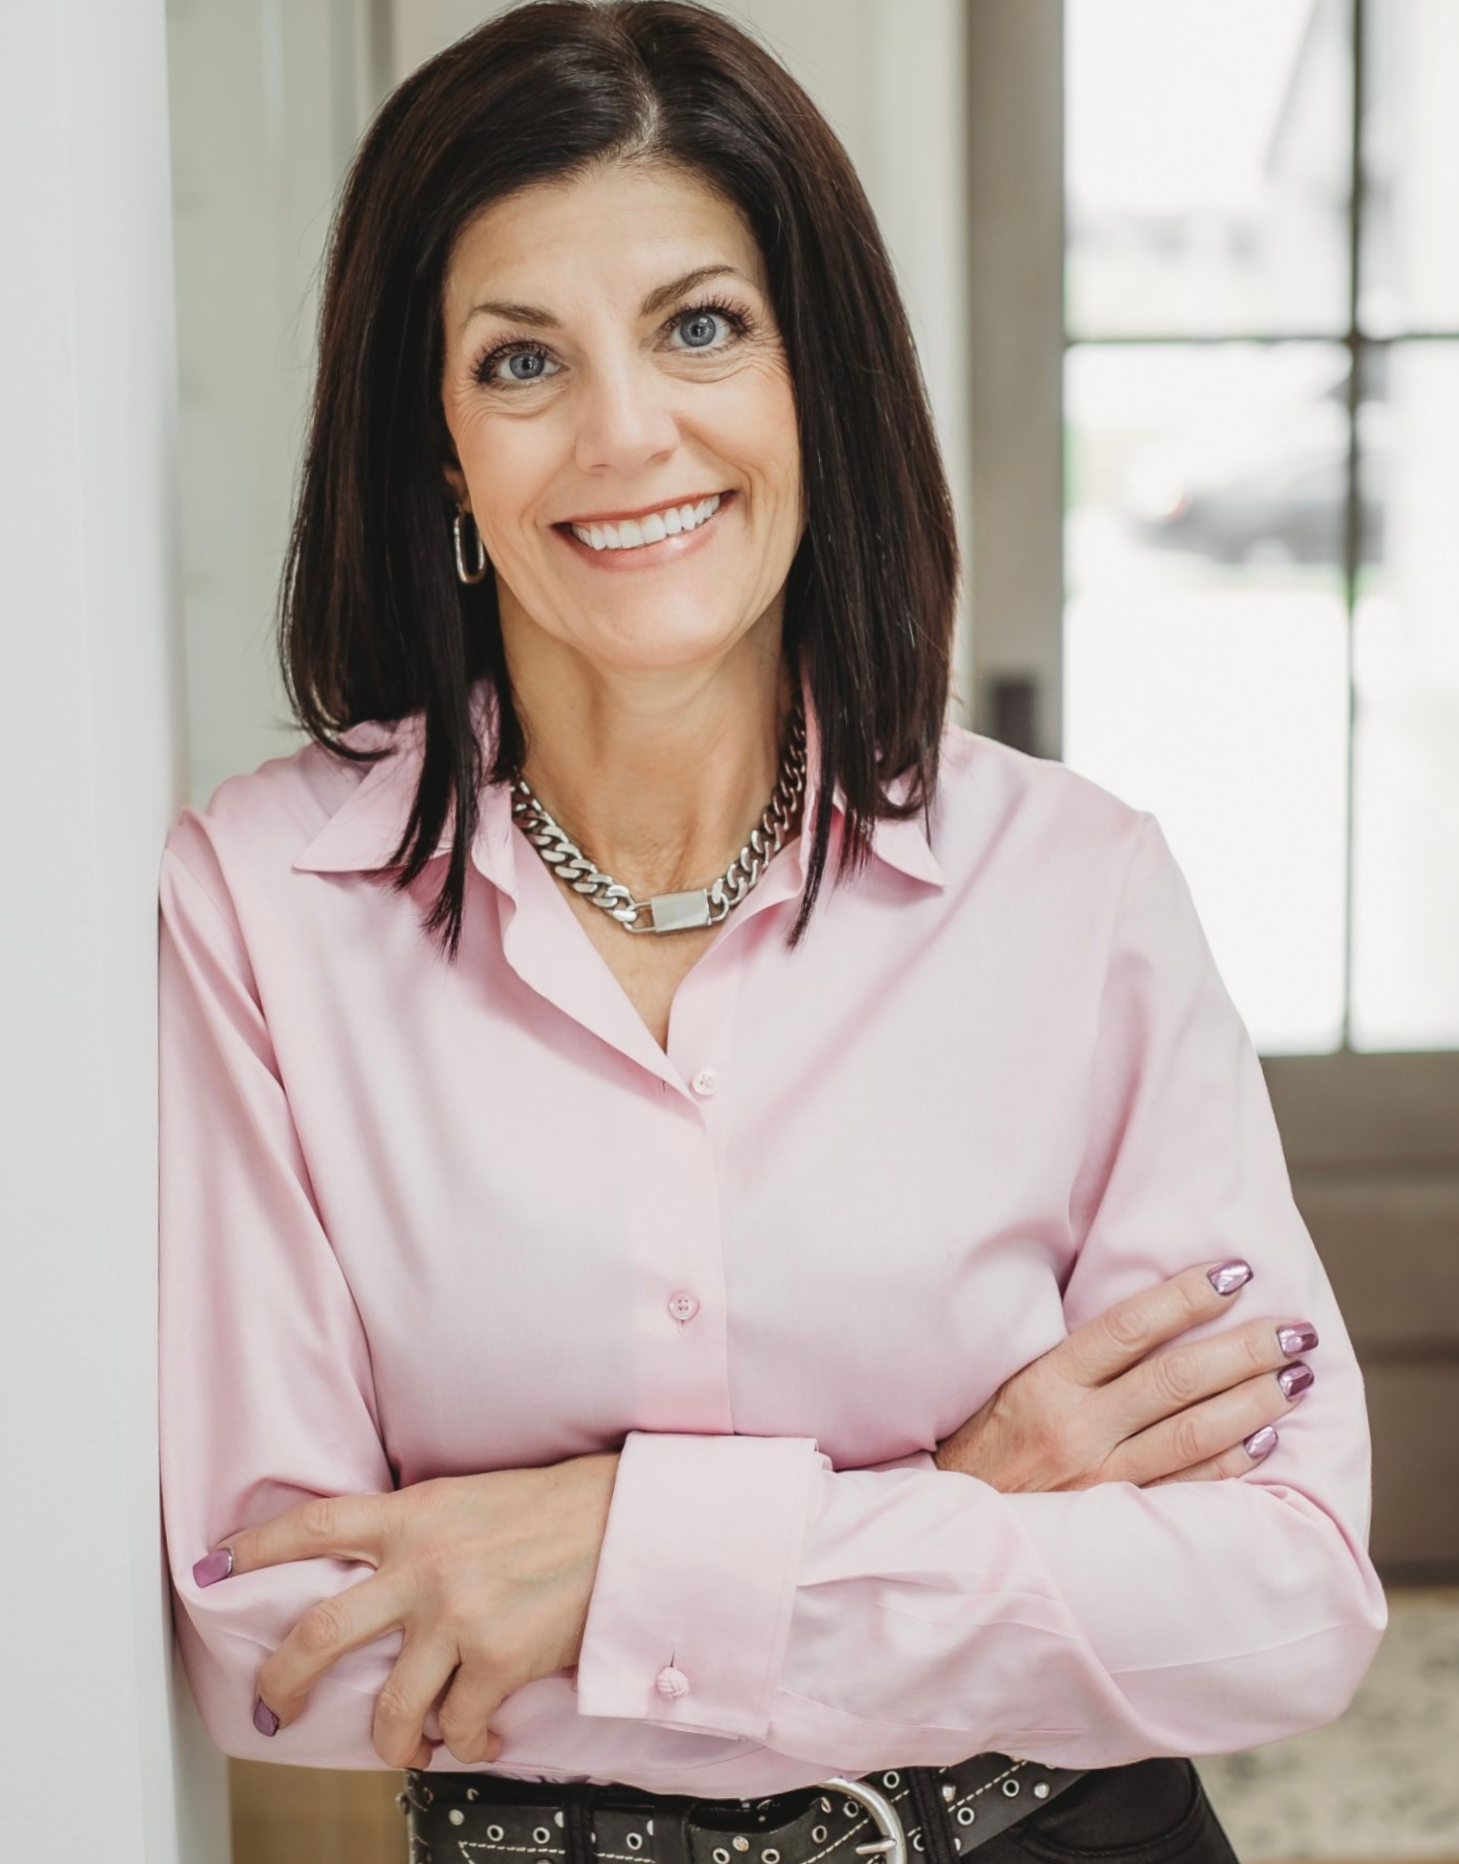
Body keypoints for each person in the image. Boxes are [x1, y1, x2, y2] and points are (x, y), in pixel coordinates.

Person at [156, 3, 1388, 1860]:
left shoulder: (1074, 888)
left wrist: (615, 1553)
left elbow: (1281, 1599)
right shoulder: (258, 910)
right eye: (519, 361)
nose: (626, 433)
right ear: (437, 446)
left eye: (700, 327)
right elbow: (287, 1639)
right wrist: (965, 1496)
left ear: (817, 373)